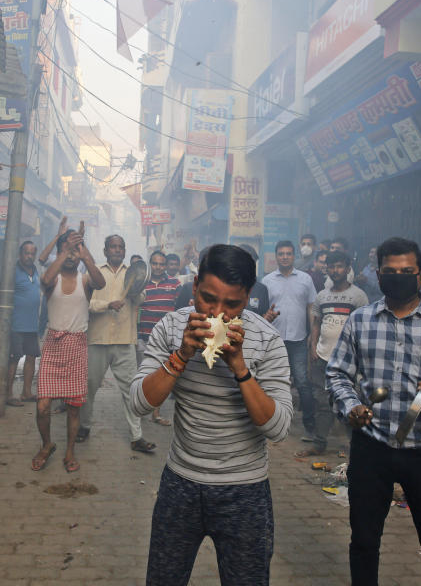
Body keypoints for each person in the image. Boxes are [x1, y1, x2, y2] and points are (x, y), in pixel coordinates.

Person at [130, 244, 292, 585]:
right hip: (180, 484)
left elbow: (277, 429)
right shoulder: (171, 328)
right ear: (194, 288)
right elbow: (139, 404)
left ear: (248, 298)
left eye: (231, 304)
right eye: (207, 299)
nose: (217, 313)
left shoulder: (267, 340)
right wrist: (182, 355)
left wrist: (240, 367)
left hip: (245, 490)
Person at [326, 237, 421, 586]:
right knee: (364, 542)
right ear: (378, 275)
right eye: (391, 271)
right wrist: (351, 407)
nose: (399, 277)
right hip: (372, 448)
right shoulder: (361, 321)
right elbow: (337, 374)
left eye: (406, 271)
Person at [32, 226, 105, 473]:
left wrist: (85, 255)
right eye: (68, 250)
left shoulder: (85, 281)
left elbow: (101, 282)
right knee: (42, 406)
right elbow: (43, 280)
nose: (72, 255)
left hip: (76, 347)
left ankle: (70, 451)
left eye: (76, 250)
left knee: (74, 408)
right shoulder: (52, 279)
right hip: (53, 345)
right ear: (61, 252)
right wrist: (63, 251)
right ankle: (47, 444)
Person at [79, 234, 157, 453]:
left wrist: (136, 292)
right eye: (112, 247)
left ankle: (136, 436)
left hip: (124, 341)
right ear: (105, 251)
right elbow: (86, 303)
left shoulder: (132, 274)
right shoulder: (94, 273)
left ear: (124, 250)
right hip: (97, 339)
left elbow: (140, 299)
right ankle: (84, 427)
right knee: (89, 386)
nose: (117, 250)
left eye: (120, 247)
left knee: (130, 391)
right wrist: (106, 305)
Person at [297, 251, 367, 457]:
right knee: (322, 401)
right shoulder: (322, 296)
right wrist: (313, 348)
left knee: (350, 400)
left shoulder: (358, 296)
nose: (336, 271)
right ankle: (319, 444)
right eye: (332, 267)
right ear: (326, 269)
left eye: (340, 266)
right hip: (323, 356)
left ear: (347, 269)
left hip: (349, 360)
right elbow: (316, 323)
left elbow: (364, 329)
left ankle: (355, 446)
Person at [262, 240, 318, 442]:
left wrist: (312, 334)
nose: (285, 257)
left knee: (302, 382)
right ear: (276, 257)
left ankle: (310, 428)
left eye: (288, 253)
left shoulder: (306, 279)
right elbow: (263, 312)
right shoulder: (267, 281)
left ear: (294, 256)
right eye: (281, 254)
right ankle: (271, 424)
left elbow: (311, 308)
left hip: (299, 339)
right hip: (274, 340)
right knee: (274, 382)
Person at [138, 250, 180, 426]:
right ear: (150, 264)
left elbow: (179, 309)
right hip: (144, 337)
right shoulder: (141, 283)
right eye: (155, 264)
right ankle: (139, 409)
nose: (158, 267)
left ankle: (156, 413)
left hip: (165, 339)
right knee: (142, 375)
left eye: (162, 264)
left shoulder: (175, 284)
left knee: (162, 377)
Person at [4, 241, 41, 406]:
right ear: (20, 254)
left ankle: (26, 392)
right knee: (13, 359)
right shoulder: (12, 272)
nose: (29, 256)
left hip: (32, 325)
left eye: (32, 253)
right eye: (26, 253)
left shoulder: (36, 271)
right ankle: (8, 394)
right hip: (16, 324)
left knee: (31, 357)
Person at [237, 244, 270, 316]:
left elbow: (263, 319)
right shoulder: (226, 286)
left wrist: (267, 319)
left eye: (252, 262)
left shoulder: (261, 289)